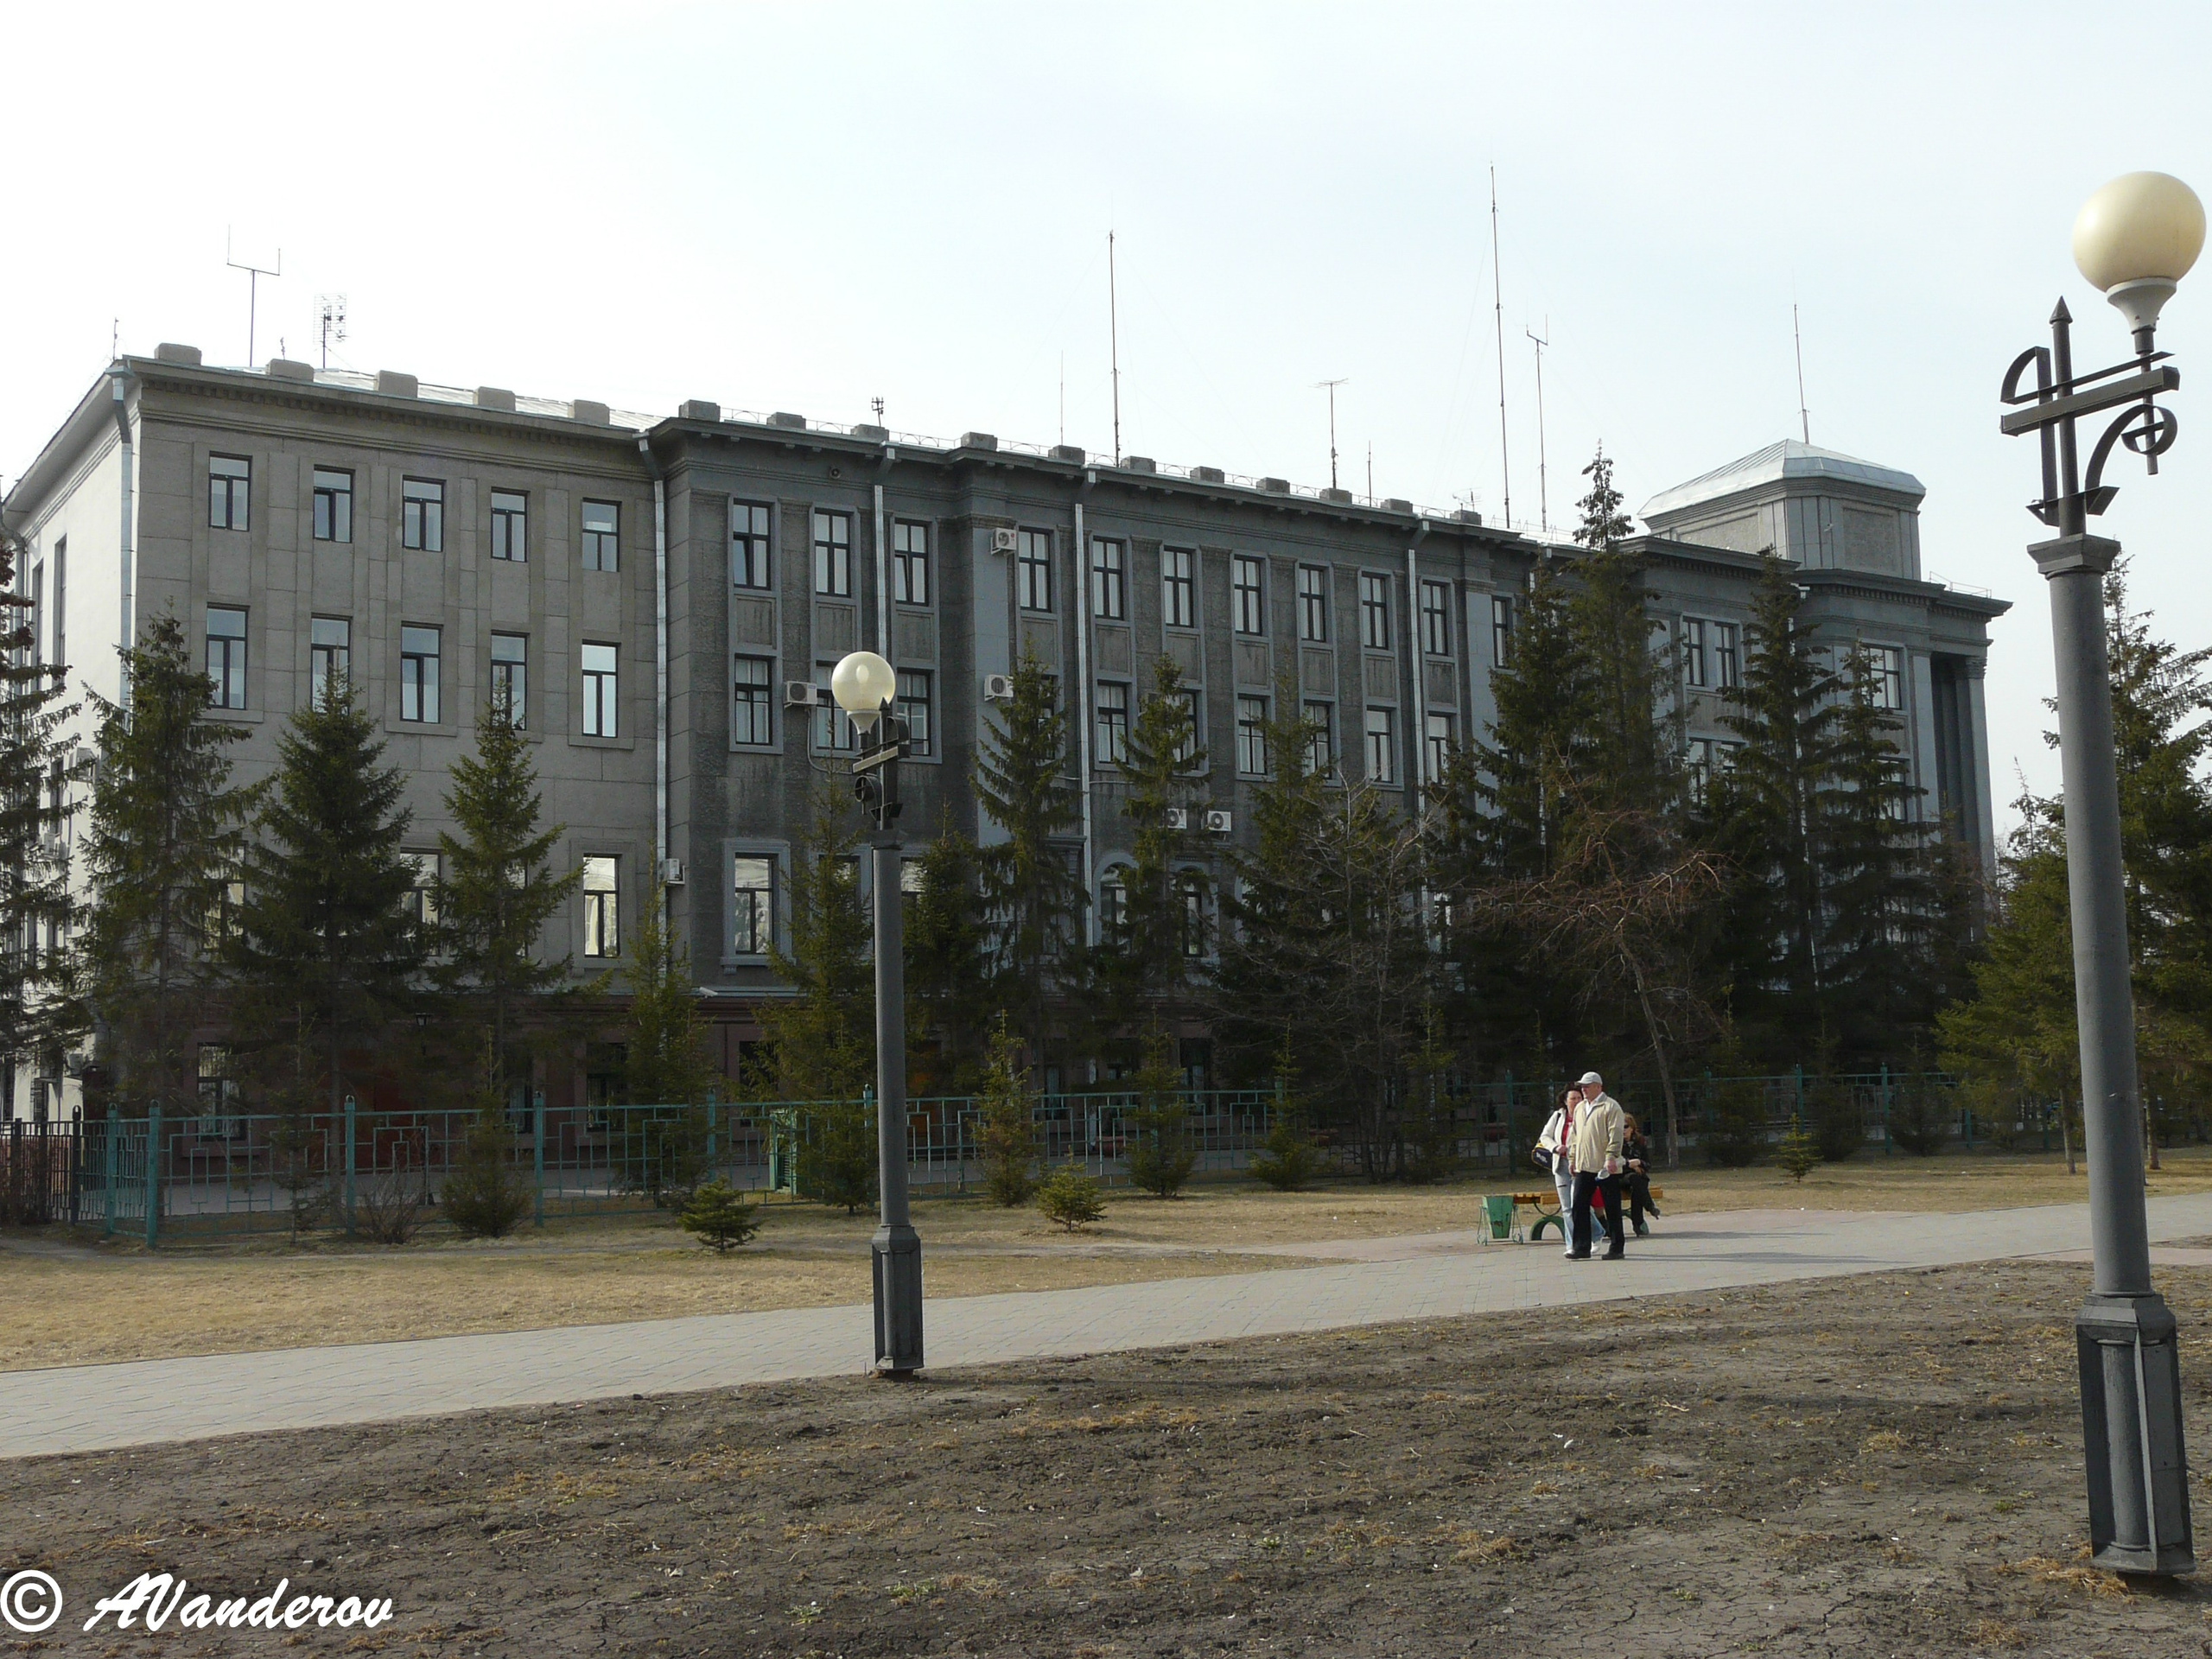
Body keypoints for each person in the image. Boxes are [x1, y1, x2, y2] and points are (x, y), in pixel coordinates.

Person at [1567, 1070, 1627, 1261]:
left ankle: (1617, 1247)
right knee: (1579, 1205)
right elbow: (1575, 1136)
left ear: (1598, 1087)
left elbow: (1616, 1134)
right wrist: (1572, 1158)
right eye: (1582, 1086)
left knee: (1612, 1207)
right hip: (1584, 1166)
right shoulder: (1579, 1108)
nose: (1583, 1089)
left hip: (1605, 1168)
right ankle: (1581, 1247)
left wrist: (1611, 1157)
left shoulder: (1611, 1107)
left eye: (1587, 1085)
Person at [1535, 1088, 1580, 1257]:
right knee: (1567, 1207)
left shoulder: (1586, 1116)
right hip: (1561, 1164)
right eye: (1572, 1098)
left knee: (1578, 1204)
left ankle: (1597, 1232)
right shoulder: (1558, 1116)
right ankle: (1572, 1244)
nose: (1576, 1101)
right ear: (1565, 1101)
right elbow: (1545, 1137)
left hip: (1579, 1165)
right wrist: (1555, 1147)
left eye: (1579, 1098)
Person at [1621, 1112, 1659, 1236]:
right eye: (1619, 1126)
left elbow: (1648, 1165)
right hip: (1619, 1178)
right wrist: (1628, 1164)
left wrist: (1639, 1163)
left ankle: (1638, 1225)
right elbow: (1612, 1163)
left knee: (1637, 1186)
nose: (1622, 1130)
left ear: (1632, 1128)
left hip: (1637, 1180)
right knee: (1635, 1179)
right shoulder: (1614, 1143)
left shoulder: (1640, 1142)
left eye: (1625, 1126)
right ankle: (1649, 1208)